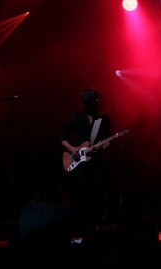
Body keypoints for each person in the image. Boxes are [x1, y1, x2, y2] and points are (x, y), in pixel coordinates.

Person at [59, 87, 113, 230]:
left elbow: (108, 140)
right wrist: (73, 150)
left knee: (98, 190)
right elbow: (62, 138)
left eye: (96, 99)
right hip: (79, 162)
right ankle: (80, 224)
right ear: (86, 102)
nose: (96, 102)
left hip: (96, 161)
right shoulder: (77, 117)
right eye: (92, 99)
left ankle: (97, 223)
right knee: (80, 193)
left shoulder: (103, 118)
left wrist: (102, 147)